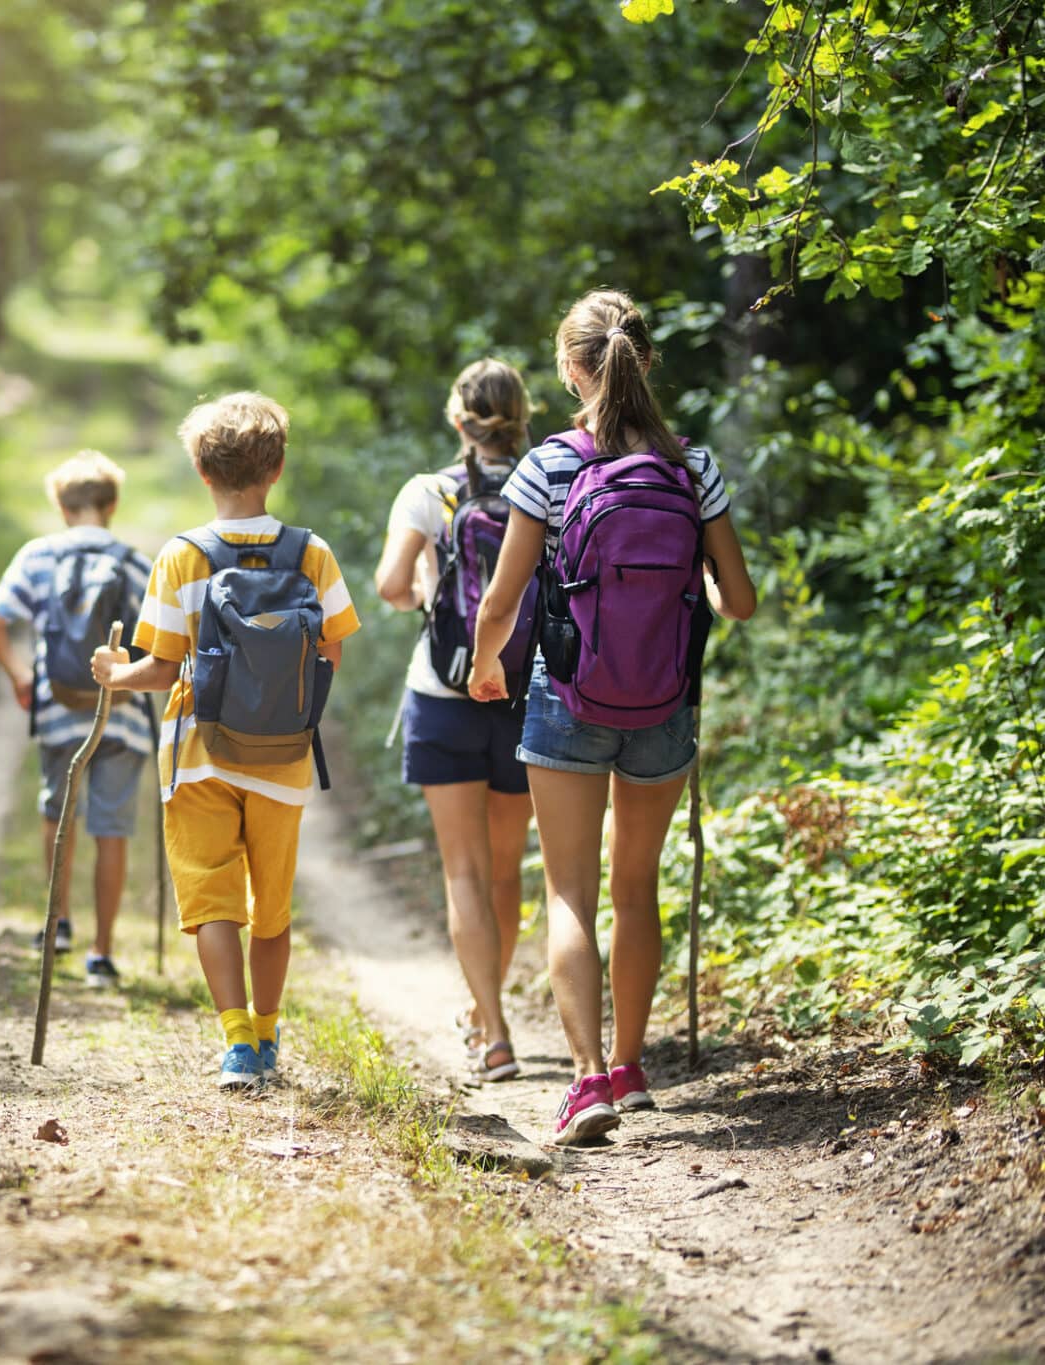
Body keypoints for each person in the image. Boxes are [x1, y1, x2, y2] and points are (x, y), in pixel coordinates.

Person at [468, 289, 756, 1145]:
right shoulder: (692, 465)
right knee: (637, 887)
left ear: (568, 367)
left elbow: (501, 600)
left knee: (569, 891)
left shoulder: (551, 464)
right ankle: (632, 1070)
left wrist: (487, 667)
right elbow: (739, 600)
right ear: (646, 358)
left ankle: (585, 1079)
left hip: (567, 697)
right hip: (664, 703)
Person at [90, 392, 361, 1088]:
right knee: (271, 909)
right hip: (284, 758)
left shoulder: (182, 556)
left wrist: (113, 674)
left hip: (198, 755)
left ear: (202, 472)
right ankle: (271, 1036)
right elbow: (332, 651)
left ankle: (237, 1041)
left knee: (213, 901)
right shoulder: (314, 553)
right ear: (276, 468)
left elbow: (158, 667)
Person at [373, 359, 536, 1085]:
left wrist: (428, 603)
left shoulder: (428, 491)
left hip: (443, 693)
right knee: (506, 869)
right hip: (524, 692)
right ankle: (486, 1009)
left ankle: (492, 1030)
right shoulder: (548, 483)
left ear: (458, 420)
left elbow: (389, 585)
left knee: (462, 870)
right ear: (522, 415)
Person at [0, 451, 154, 988]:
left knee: (59, 814)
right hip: (121, 713)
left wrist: (19, 677)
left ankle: (57, 924)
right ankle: (101, 953)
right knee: (113, 827)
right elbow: (164, 640)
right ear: (112, 504)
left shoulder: (37, 557)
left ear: (60, 505)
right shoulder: (133, 560)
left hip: (57, 709)